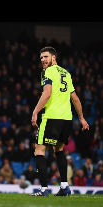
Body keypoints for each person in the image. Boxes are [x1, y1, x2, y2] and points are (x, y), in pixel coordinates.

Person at [30, 46, 89, 196]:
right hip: (67, 119)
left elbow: (47, 93)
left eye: (46, 56)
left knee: (39, 151)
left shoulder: (47, 72)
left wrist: (35, 111)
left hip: (51, 117)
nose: (43, 59)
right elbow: (74, 98)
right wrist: (81, 118)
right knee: (59, 150)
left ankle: (43, 189)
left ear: (53, 58)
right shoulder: (67, 73)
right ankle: (64, 187)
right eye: (41, 57)